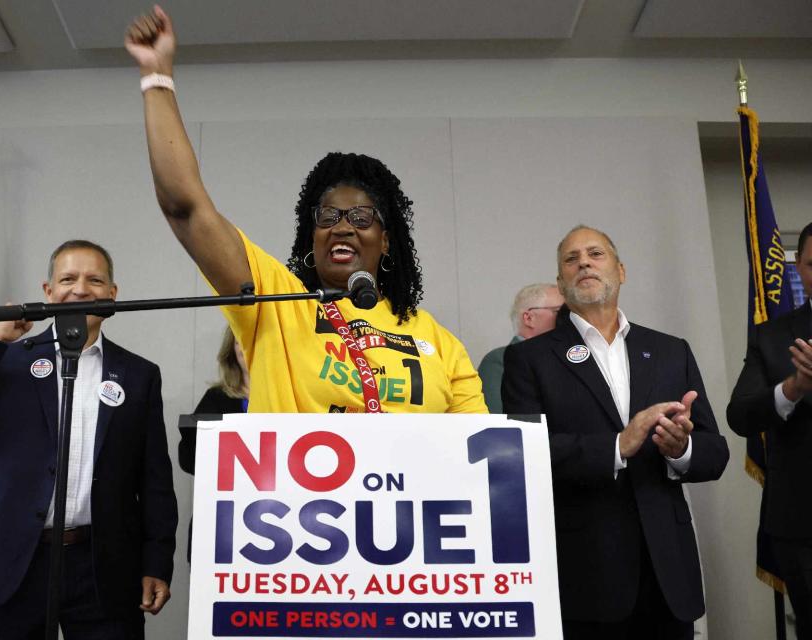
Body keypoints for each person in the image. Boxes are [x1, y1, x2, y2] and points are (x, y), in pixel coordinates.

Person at [125, 7, 486, 414]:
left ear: (385, 241)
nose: (343, 228)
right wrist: (156, 76)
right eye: (328, 217)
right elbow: (184, 208)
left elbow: (480, 457)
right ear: (311, 236)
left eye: (361, 218)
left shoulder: (440, 343)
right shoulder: (277, 306)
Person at [0, 240, 178, 639]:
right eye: (68, 279)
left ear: (113, 294)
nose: (80, 290)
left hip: (100, 566)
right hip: (8, 558)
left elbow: (155, 482)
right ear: (47, 292)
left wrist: (157, 562)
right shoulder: (8, 357)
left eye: (95, 280)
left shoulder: (139, 374)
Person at [502, 225, 728, 640]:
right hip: (584, 575)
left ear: (621, 271)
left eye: (595, 254)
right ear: (560, 283)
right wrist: (617, 446)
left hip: (668, 574)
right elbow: (523, 453)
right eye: (571, 259)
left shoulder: (669, 350)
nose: (583, 262)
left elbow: (715, 452)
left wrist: (681, 449)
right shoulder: (528, 359)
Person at [727, 222, 812, 640]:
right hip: (801, 524)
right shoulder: (774, 336)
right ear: (799, 267)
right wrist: (792, 389)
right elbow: (739, 415)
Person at [477, 283, 564, 412]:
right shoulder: (498, 361)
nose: (567, 317)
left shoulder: (568, 358)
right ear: (529, 318)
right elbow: (502, 423)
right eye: (559, 311)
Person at [180, 326, 249, 475]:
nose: (248, 345)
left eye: (256, 339)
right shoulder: (216, 397)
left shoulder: (293, 395)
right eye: (240, 340)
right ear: (231, 351)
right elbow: (189, 460)